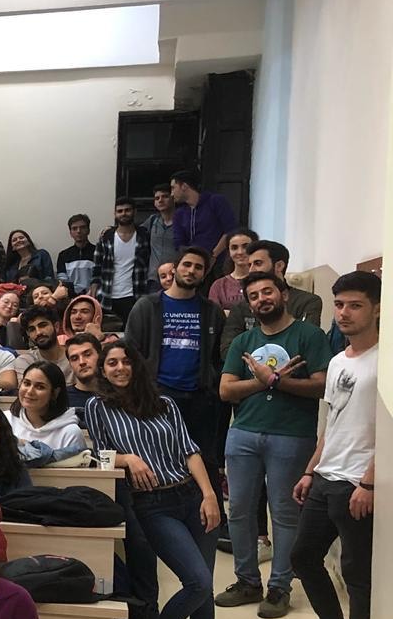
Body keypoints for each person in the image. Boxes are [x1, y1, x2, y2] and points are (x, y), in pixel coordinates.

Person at [88, 344, 222, 619]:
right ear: (103, 370)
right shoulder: (98, 406)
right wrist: (127, 458)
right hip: (153, 504)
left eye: (126, 361)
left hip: (192, 495)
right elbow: (99, 454)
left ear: (137, 366)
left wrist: (210, 495)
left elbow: (189, 450)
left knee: (204, 590)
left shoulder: (165, 404)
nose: (120, 368)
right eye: (111, 363)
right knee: (197, 581)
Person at [216, 271, 332, 618]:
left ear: (284, 294)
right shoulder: (244, 340)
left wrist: (277, 382)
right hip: (243, 433)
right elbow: (226, 390)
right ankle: (247, 581)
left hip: (291, 436)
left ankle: (280, 587)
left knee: (284, 513)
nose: (261, 299)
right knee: (239, 510)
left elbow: (321, 385)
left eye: (267, 292)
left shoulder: (309, 335)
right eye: (253, 296)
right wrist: (265, 381)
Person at [286, 271, 379, 619]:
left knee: (358, 575)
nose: (344, 313)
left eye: (355, 305)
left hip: (358, 483)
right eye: (339, 304)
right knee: (303, 557)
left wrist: (370, 482)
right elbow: (332, 422)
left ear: (377, 309)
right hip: (326, 476)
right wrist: (310, 469)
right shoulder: (339, 360)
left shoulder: (385, 362)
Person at [123, 246, 226, 463]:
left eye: (198, 267)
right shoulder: (146, 306)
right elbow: (131, 352)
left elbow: (218, 356)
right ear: (174, 269)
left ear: (204, 274)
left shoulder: (212, 311)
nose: (191, 271)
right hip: (158, 396)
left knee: (201, 463)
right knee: (159, 461)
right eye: (186, 265)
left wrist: (211, 383)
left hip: (199, 400)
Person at [219, 239, 325, 353]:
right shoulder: (241, 307)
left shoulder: (306, 301)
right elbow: (228, 350)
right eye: (249, 265)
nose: (251, 270)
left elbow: (308, 344)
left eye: (258, 263)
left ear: (279, 266)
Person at [92, 198, 153, 326]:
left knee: (134, 333)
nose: (123, 213)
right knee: (109, 334)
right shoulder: (106, 237)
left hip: (135, 295)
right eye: (120, 211)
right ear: (115, 214)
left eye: (127, 210)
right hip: (108, 295)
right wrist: (93, 290)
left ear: (134, 212)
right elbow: (97, 266)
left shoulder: (144, 235)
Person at [8, 362, 85, 454]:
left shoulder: (70, 433)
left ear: (55, 393)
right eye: (27, 383)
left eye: (40, 387)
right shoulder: (4, 420)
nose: (30, 391)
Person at [169, 168, 237, 263]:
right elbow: (178, 242)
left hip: (219, 261)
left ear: (184, 186)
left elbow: (230, 230)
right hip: (193, 262)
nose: (171, 194)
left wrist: (213, 256)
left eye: (173, 188)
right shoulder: (179, 213)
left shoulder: (215, 201)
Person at [55, 213, 96, 295]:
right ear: (70, 233)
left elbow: (101, 278)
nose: (78, 231)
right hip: (71, 298)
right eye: (74, 228)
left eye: (82, 227)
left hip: (95, 296)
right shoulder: (63, 255)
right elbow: (63, 281)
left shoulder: (98, 252)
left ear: (88, 230)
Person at [145, 184, 180, 273]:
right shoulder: (152, 220)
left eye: (165, 196)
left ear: (173, 198)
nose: (160, 200)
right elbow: (132, 231)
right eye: (157, 198)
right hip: (154, 276)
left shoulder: (184, 222)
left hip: (175, 275)